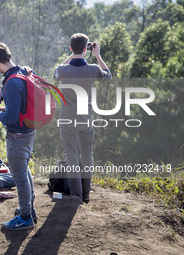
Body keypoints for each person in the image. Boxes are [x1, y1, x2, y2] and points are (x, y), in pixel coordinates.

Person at [0, 42, 36, 230]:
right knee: (24, 171)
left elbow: (12, 118)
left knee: (19, 176)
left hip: (17, 136)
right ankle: (29, 209)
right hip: (29, 130)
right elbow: (20, 106)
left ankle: (25, 217)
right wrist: (7, 109)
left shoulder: (11, 82)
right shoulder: (23, 72)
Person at [54, 33, 112, 204]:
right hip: (86, 119)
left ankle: (76, 195)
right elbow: (108, 75)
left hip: (67, 119)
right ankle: (86, 194)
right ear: (86, 49)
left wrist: (73, 54)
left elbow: (56, 71)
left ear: (71, 48)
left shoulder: (63, 70)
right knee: (87, 155)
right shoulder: (93, 69)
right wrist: (98, 55)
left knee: (71, 156)